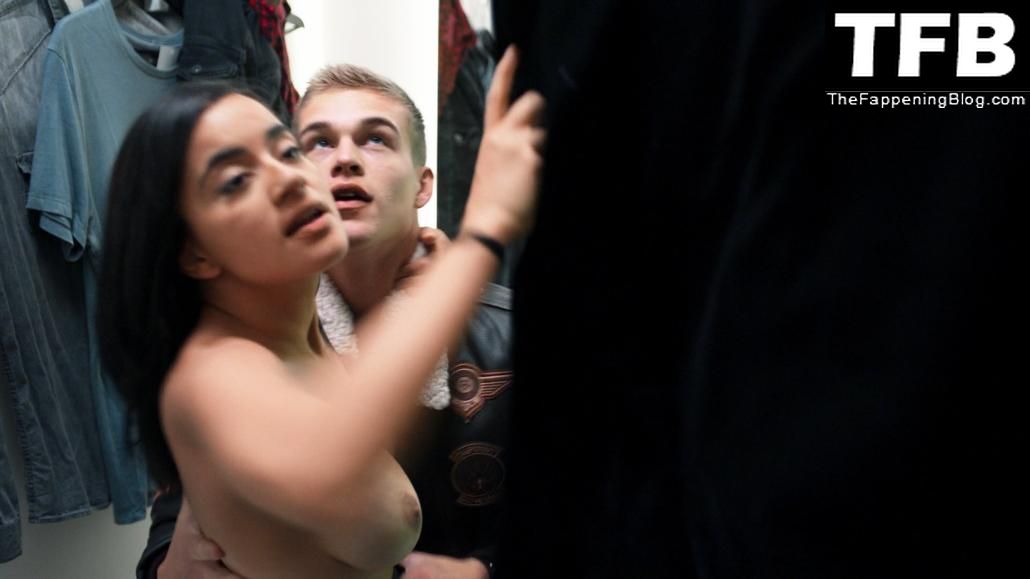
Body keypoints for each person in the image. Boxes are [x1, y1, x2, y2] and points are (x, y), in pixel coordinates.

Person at [99, 46, 544, 579]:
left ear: (424, 184)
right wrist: (483, 233)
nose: (328, 165)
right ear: (193, 251)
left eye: (286, 152)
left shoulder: (507, 335)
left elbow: (590, 512)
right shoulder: (220, 370)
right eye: (317, 143)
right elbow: (310, 465)